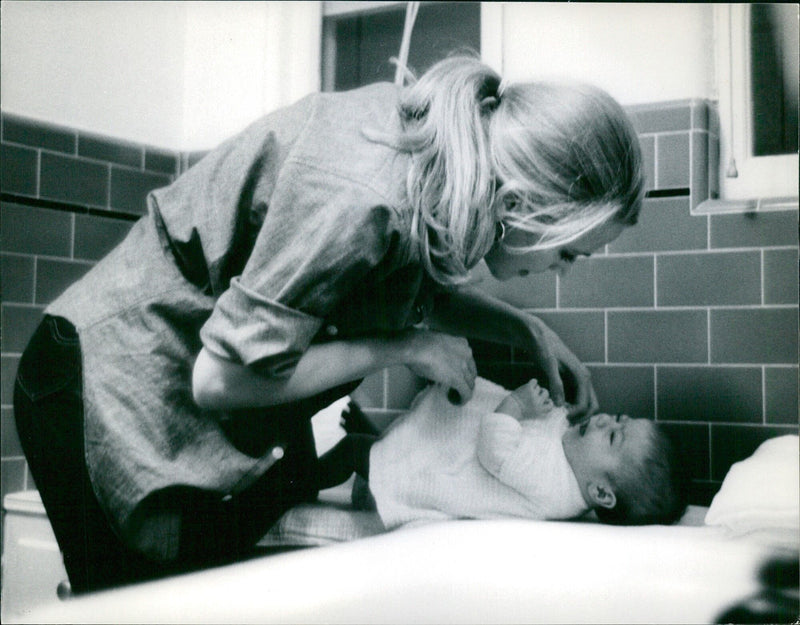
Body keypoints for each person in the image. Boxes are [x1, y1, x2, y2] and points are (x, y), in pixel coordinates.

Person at [14, 54, 645, 592]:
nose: (562, 271)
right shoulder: (363, 190)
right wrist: (407, 349)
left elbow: (391, 289)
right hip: (101, 383)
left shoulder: (436, 164)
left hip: (170, 396)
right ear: (515, 207)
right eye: (568, 253)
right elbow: (220, 378)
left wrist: (527, 332)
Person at [318, 377, 689, 528]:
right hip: (442, 448)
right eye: (619, 419)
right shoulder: (570, 467)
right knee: (400, 443)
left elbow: (496, 450)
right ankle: (374, 453)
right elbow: (547, 436)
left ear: (601, 493)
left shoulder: (553, 486)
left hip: (443, 469)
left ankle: (296, 481)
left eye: (613, 438)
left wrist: (517, 403)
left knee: (356, 451)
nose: (607, 420)